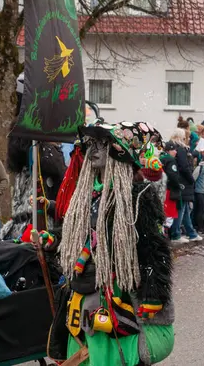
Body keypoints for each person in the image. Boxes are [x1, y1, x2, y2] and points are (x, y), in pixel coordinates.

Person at [59, 120, 174, 366]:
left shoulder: (137, 195)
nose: (94, 150)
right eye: (91, 144)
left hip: (118, 294)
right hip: (87, 292)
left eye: (103, 144)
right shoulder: (88, 192)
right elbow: (81, 234)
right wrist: (55, 242)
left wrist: (154, 294)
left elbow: (154, 249)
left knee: (118, 355)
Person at [168, 128, 199, 243]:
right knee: (181, 208)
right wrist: (191, 179)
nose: (188, 139)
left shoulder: (176, 148)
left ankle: (190, 232)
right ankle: (176, 233)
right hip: (184, 182)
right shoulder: (180, 149)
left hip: (182, 181)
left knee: (185, 208)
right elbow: (184, 166)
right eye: (186, 137)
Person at [160, 142, 182, 228]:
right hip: (169, 190)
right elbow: (172, 175)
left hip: (161, 188)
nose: (176, 152)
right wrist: (178, 185)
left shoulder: (161, 158)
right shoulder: (170, 160)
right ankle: (166, 234)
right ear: (168, 151)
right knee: (169, 214)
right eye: (173, 150)